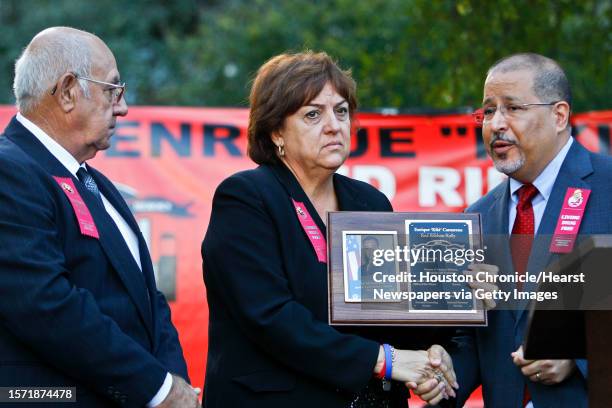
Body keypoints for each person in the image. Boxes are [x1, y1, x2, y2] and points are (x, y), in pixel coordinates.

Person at [201, 51, 458, 408]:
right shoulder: (246, 198)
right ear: (276, 131)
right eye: (312, 114)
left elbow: (389, 319)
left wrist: (432, 348)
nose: (334, 125)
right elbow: (270, 317)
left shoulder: (370, 202)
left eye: (341, 111)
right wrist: (388, 361)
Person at [0, 27, 198, 407]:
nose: (122, 107)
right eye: (112, 90)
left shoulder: (97, 183)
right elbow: (46, 306)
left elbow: (148, 297)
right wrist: (157, 389)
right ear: (70, 91)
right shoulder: (10, 171)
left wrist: (175, 382)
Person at [440, 53, 611, 407]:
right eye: (488, 111)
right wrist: (439, 377)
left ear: (559, 115)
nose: (496, 124)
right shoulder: (478, 217)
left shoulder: (608, 188)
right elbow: (473, 343)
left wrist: (580, 357)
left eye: (513, 108)